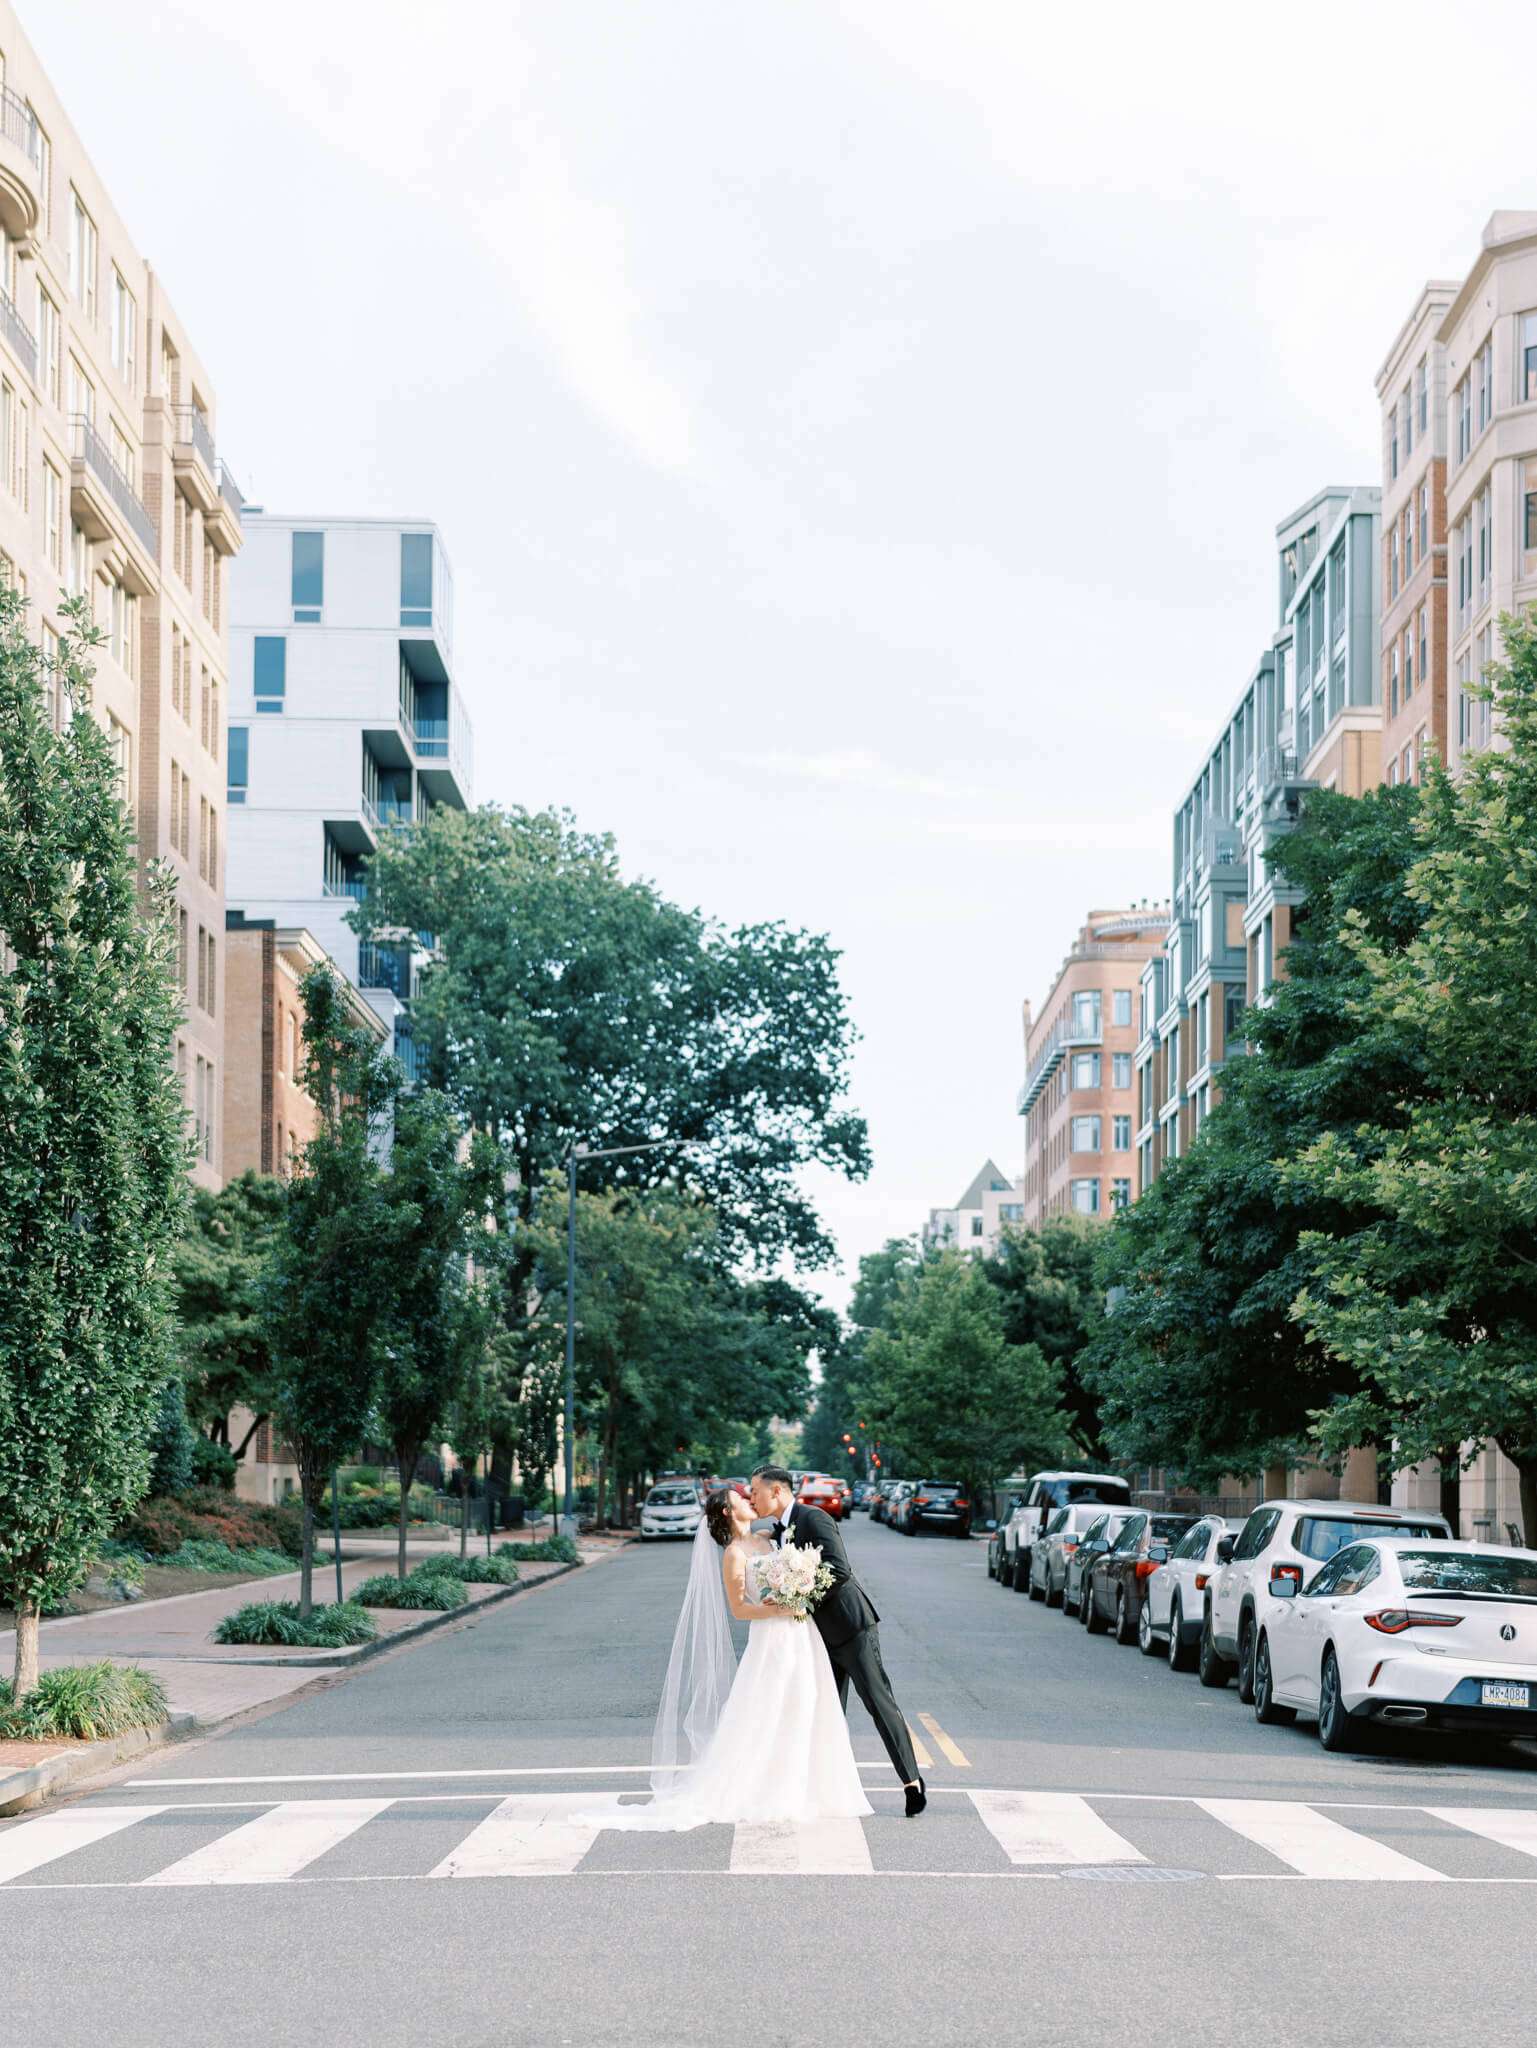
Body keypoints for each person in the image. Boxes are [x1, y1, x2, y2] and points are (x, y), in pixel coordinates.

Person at [578, 1484, 872, 1829]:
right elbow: (740, 1609)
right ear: (726, 1513)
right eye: (740, 1500)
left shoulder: (768, 1537)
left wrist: (802, 1582)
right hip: (772, 1639)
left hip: (801, 1635)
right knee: (773, 1709)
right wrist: (782, 1607)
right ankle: (773, 1790)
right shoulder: (734, 1554)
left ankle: (808, 1786)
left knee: (806, 1702)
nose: (749, 1500)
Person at [749, 1464, 926, 1817]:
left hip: (851, 1627)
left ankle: (912, 1782)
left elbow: (838, 1569)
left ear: (776, 1491)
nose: (750, 1498)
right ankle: (826, 1788)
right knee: (825, 1711)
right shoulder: (776, 1531)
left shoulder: (813, 1518)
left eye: (754, 1491)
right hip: (815, 1637)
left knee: (878, 1701)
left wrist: (794, 1595)